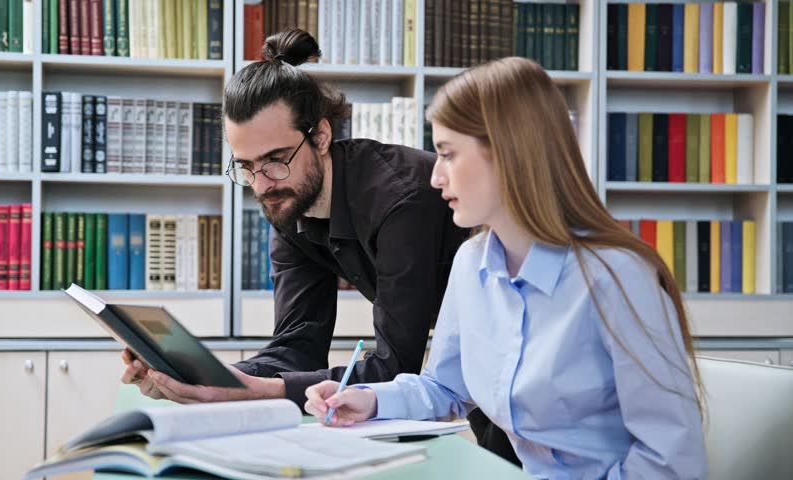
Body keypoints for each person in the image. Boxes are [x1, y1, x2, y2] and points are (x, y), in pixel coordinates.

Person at [119, 29, 522, 464]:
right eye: (247, 167)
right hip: (460, 370)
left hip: (508, 346)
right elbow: (297, 344)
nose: (261, 184)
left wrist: (252, 391)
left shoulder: (400, 199)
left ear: (322, 136)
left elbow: (394, 364)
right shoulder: (289, 200)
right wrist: (209, 377)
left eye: (275, 159)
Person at [304, 57, 709, 479]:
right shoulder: (472, 261)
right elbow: (445, 386)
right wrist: (369, 399)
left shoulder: (618, 279)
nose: (435, 177)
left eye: (447, 154)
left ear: (508, 153)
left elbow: (672, 463)